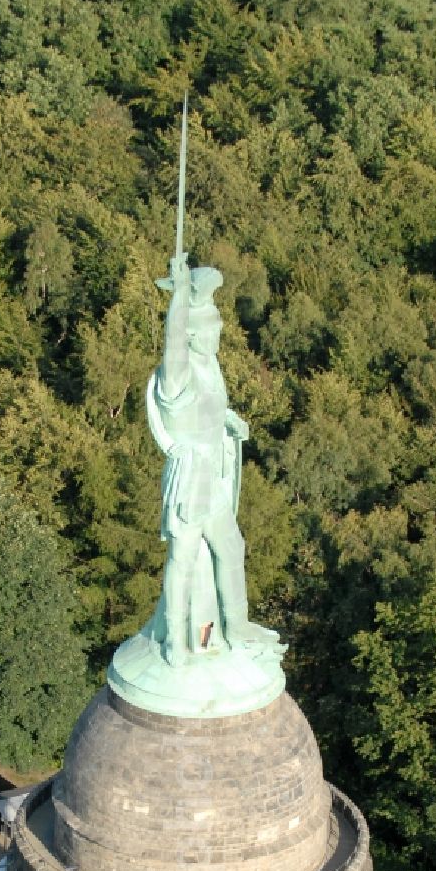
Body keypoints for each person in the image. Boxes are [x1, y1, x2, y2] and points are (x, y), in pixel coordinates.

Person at [149, 257, 282, 666]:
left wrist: (226, 420)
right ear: (190, 334)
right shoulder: (177, 375)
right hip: (190, 480)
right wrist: (181, 297)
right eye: (211, 329)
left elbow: (205, 409)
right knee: (183, 559)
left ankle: (237, 625)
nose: (219, 333)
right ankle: (174, 637)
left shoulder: (209, 366)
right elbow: (171, 340)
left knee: (231, 545)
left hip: (213, 478)